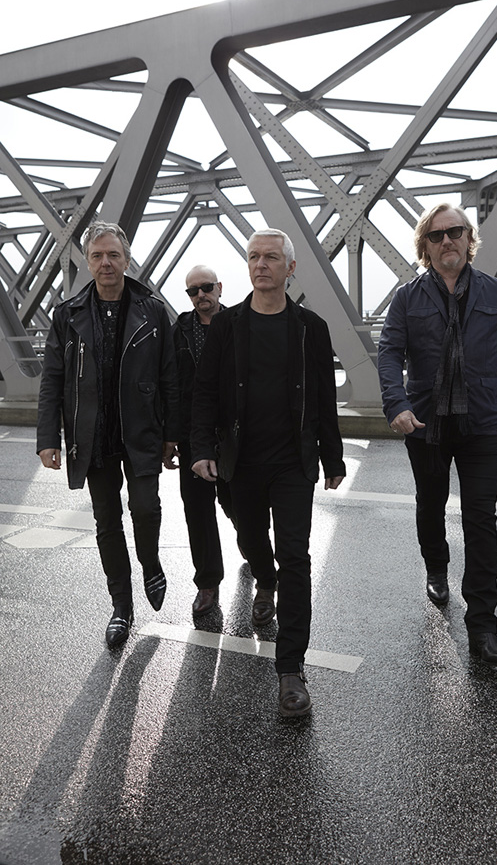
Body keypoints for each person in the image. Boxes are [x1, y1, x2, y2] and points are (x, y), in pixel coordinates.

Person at [190, 228, 345, 716]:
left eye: (272, 257)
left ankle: (291, 669)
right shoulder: (227, 326)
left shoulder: (311, 328)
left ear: (290, 267)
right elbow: (205, 392)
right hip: (241, 461)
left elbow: (324, 397)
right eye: (254, 256)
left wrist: (333, 457)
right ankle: (264, 578)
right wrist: (202, 448)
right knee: (253, 539)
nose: (261, 264)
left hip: (293, 461)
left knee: (296, 555)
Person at [378, 203, 497, 666]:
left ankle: (483, 628)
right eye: (436, 235)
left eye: (455, 232)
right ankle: (436, 568)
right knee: (431, 503)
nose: (447, 241)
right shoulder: (406, 298)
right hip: (426, 423)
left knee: (481, 520)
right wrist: (396, 404)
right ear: (425, 245)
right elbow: (389, 352)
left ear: (468, 238)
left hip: (482, 423)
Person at [37, 220, 178, 647]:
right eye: (97, 256)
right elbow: (52, 379)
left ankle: (150, 562)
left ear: (127, 259)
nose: (106, 263)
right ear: (87, 261)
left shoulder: (152, 310)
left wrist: (172, 433)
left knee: (146, 508)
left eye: (113, 255)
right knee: (107, 522)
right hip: (92, 434)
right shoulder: (68, 314)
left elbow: (170, 376)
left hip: (141, 429)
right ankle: (121, 606)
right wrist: (48, 438)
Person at [172, 265, 234, 616]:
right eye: (192, 291)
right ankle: (207, 583)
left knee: (237, 504)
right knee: (197, 511)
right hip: (192, 435)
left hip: (233, 435)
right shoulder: (179, 331)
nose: (200, 295)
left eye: (206, 287)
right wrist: (169, 436)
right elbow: (170, 384)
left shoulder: (239, 323)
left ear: (219, 287)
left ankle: (253, 551)